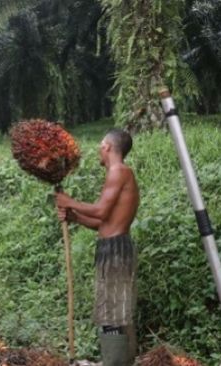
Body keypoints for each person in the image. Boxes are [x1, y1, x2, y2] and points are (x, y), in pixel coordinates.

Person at [55, 128, 140, 366]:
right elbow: (103, 223)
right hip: (112, 247)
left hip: (116, 251)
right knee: (114, 309)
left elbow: (101, 210)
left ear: (108, 147)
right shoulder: (119, 173)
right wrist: (74, 217)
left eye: (100, 145)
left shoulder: (118, 171)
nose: (98, 151)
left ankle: (116, 363)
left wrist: (69, 201)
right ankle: (119, 361)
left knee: (113, 311)